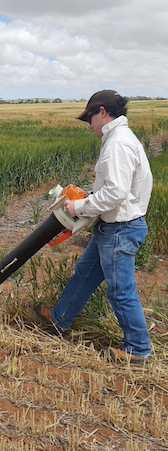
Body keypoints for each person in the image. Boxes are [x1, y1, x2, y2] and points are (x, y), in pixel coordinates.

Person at [34, 90, 153, 363]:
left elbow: (115, 194)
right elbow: (116, 187)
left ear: (102, 112)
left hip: (120, 229)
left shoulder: (117, 144)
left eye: (89, 118)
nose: (89, 125)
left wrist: (78, 207)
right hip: (113, 228)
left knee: (120, 290)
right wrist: (94, 190)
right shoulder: (120, 139)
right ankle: (59, 319)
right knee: (85, 274)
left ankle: (138, 349)